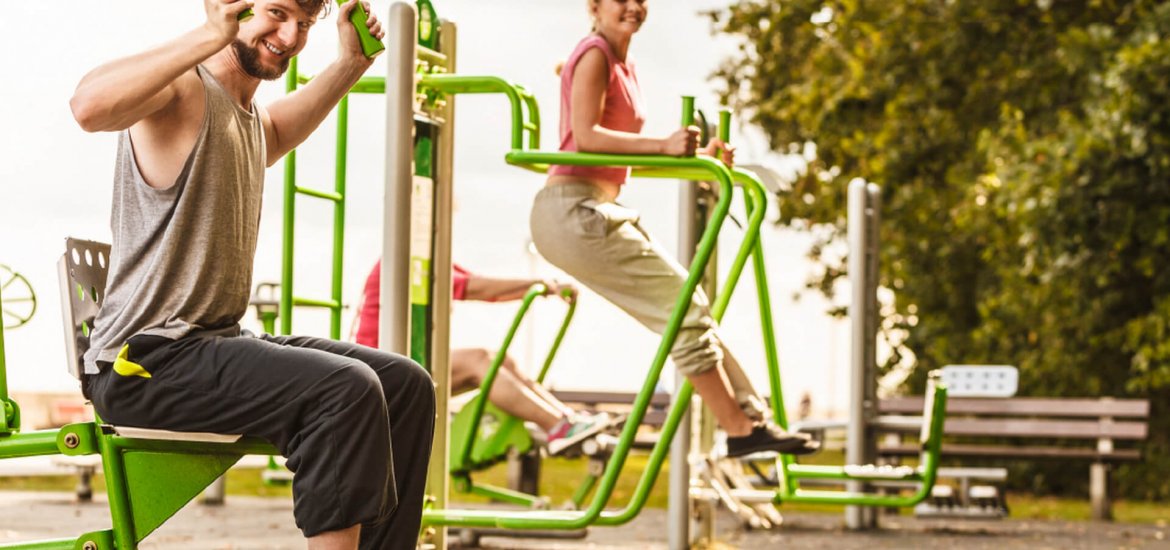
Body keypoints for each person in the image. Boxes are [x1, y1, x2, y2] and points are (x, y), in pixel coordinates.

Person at [69, 2, 434, 549]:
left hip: (208, 345)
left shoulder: (246, 118)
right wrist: (208, 34)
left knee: (405, 385)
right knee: (344, 391)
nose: (290, 36)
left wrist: (351, 63)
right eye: (276, 13)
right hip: (143, 362)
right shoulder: (181, 92)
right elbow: (88, 106)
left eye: (305, 24)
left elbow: (281, 128)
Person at [528, 0, 817, 457]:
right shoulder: (595, 55)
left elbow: (623, 152)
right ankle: (740, 427)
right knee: (684, 310)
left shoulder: (624, 64)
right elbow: (586, 138)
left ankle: (752, 419)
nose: (633, 7)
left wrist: (697, 159)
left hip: (595, 206)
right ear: (595, 6)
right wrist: (666, 145)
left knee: (692, 305)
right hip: (573, 212)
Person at [354, 261, 612, 455]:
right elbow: (475, 288)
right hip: (381, 369)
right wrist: (543, 284)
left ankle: (566, 421)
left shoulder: (431, 257)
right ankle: (558, 428)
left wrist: (542, 287)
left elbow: (483, 288)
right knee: (479, 360)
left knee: (501, 360)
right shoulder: (408, 258)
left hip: (404, 362)